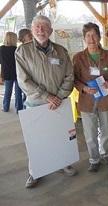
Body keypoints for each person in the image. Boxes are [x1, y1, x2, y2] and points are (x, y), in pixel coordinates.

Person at [15, 15, 76, 188]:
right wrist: (47, 96)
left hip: (60, 102)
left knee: (60, 138)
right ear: (32, 29)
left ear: (50, 30)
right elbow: (23, 80)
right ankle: (35, 172)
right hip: (36, 103)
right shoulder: (23, 52)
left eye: (44, 27)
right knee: (36, 141)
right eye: (37, 27)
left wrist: (60, 96)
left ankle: (62, 164)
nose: (41, 30)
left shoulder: (61, 51)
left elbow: (69, 76)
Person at [73, 22, 108, 172]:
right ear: (84, 38)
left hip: (106, 98)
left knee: (105, 129)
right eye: (88, 35)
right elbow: (74, 79)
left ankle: (105, 153)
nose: (91, 38)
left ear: (99, 37)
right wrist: (84, 88)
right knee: (90, 132)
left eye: (94, 35)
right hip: (87, 99)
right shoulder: (79, 57)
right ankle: (94, 158)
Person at [0, 32, 23, 113]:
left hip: (6, 73)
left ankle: (5, 107)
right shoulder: (17, 49)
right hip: (17, 72)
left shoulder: (1, 49)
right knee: (18, 92)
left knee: (7, 91)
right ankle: (19, 109)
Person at [17, 28, 33, 108]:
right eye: (29, 35)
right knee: (26, 96)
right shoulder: (21, 49)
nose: (31, 36)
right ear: (23, 37)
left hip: (33, 76)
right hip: (25, 76)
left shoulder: (34, 47)